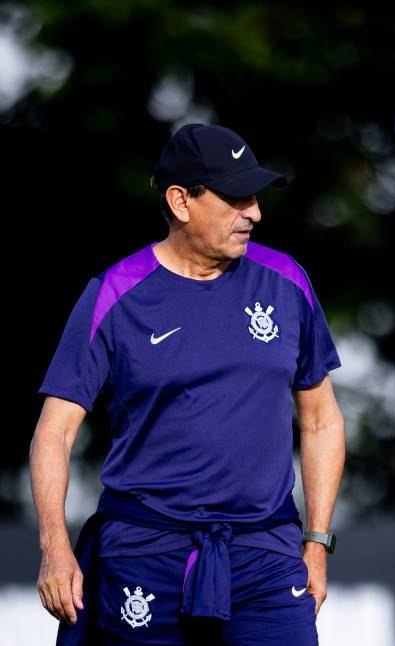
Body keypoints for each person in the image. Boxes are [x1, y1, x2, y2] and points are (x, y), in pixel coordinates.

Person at [30, 123, 345, 645]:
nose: (255, 213)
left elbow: (322, 419)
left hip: (265, 552)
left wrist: (316, 544)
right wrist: (54, 548)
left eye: (257, 198)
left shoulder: (287, 280)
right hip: (144, 552)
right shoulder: (113, 293)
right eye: (237, 198)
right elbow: (55, 432)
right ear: (181, 201)